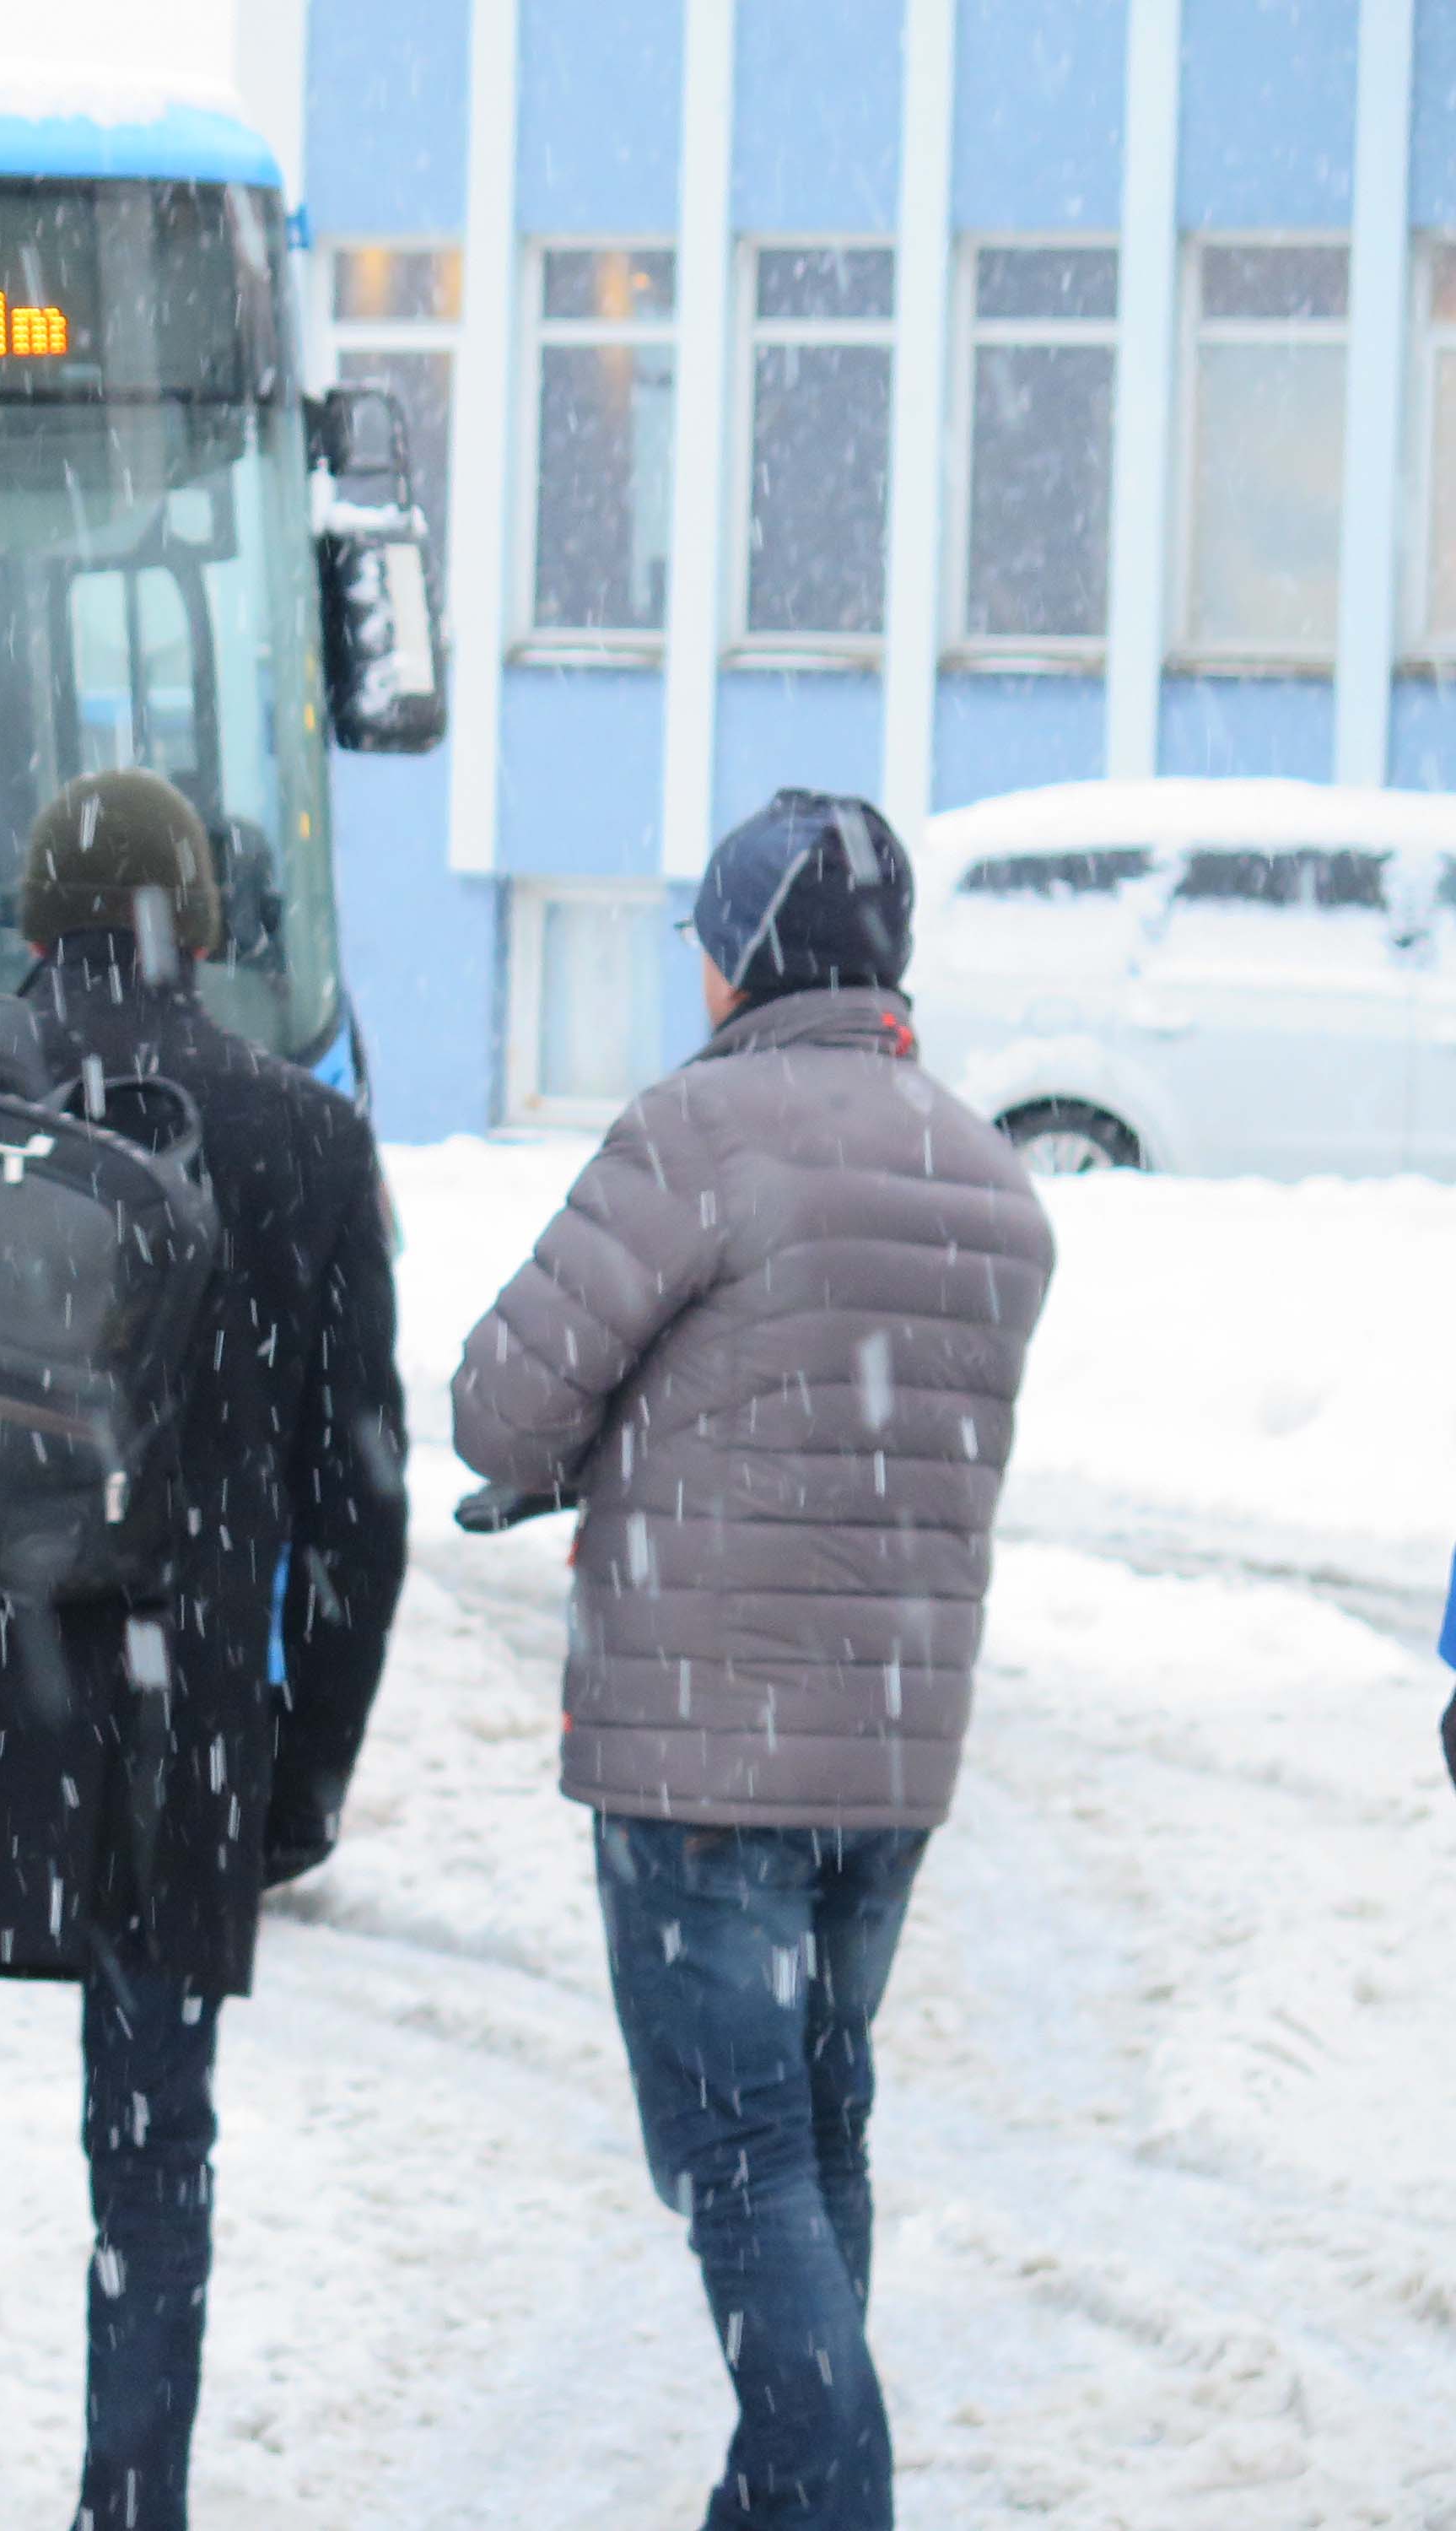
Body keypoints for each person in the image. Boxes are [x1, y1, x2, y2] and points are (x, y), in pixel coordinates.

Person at [0, 768, 406, 2531]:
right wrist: (299, 1767)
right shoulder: (297, 1139)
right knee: (151, 2170)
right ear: (197, 928)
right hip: (166, 1727)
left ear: (27, 926)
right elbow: (360, 1501)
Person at [450, 788, 1055, 2531]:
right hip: (885, 1763)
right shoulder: (988, 1182)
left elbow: (499, 1400)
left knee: (732, 2161)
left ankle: (828, 2503)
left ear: (735, 965)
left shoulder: (694, 1137)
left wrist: (589, 1436)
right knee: (810, 2139)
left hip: (698, 1757)